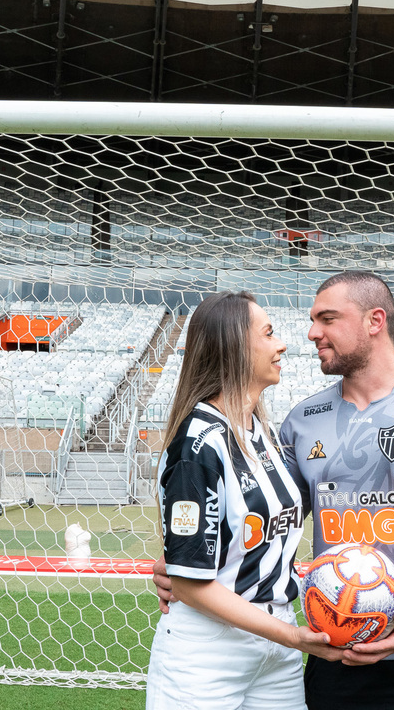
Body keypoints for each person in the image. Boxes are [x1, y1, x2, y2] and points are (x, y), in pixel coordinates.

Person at [154, 272, 394, 710]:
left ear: (374, 320)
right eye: (311, 320)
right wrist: (188, 564)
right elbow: (268, 514)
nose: (310, 333)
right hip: (334, 650)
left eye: (327, 319)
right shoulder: (300, 422)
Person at [146, 290, 343, 710]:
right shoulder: (198, 443)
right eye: (269, 333)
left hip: (277, 646)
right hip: (209, 651)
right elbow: (189, 581)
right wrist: (293, 637)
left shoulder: (264, 433)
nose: (283, 344)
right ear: (234, 346)